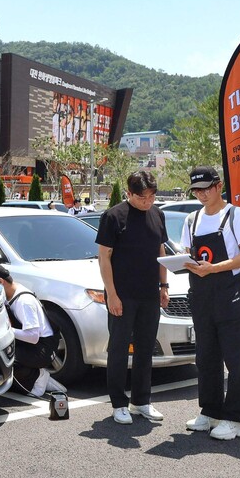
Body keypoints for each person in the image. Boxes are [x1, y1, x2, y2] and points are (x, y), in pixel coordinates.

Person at [180, 166, 240, 441]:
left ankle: (235, 419)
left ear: (219, 185)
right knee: (206, 357)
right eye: (196, 190)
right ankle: (210, 411)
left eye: (206, 189)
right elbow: (187, 253)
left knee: (237, 358)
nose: (202, 195)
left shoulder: (236, 215)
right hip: (202, 295)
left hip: (232, 294)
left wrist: (214, 268)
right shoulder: (191, 219)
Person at [95, 170, 169, 425]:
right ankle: (118, 403)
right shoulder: (113, 216)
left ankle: (141, 401)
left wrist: (164, 285)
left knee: (145, 349)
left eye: (151, 197)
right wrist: (112, 295)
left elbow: (160, 250)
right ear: (129, 193)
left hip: (149, 293)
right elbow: (104, 257)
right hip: (122, 294)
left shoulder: (158, 214)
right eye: (142, 197)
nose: (147, 202)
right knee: (118, 349)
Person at [0, 263, 66, 398]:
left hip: (42, 349)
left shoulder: (24, 301)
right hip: (31, 345)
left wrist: (5, 331)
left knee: (5, 360)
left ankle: (38, 377)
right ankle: (37, 378)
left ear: (0, 282)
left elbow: (33, 336)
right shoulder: (9, 293)